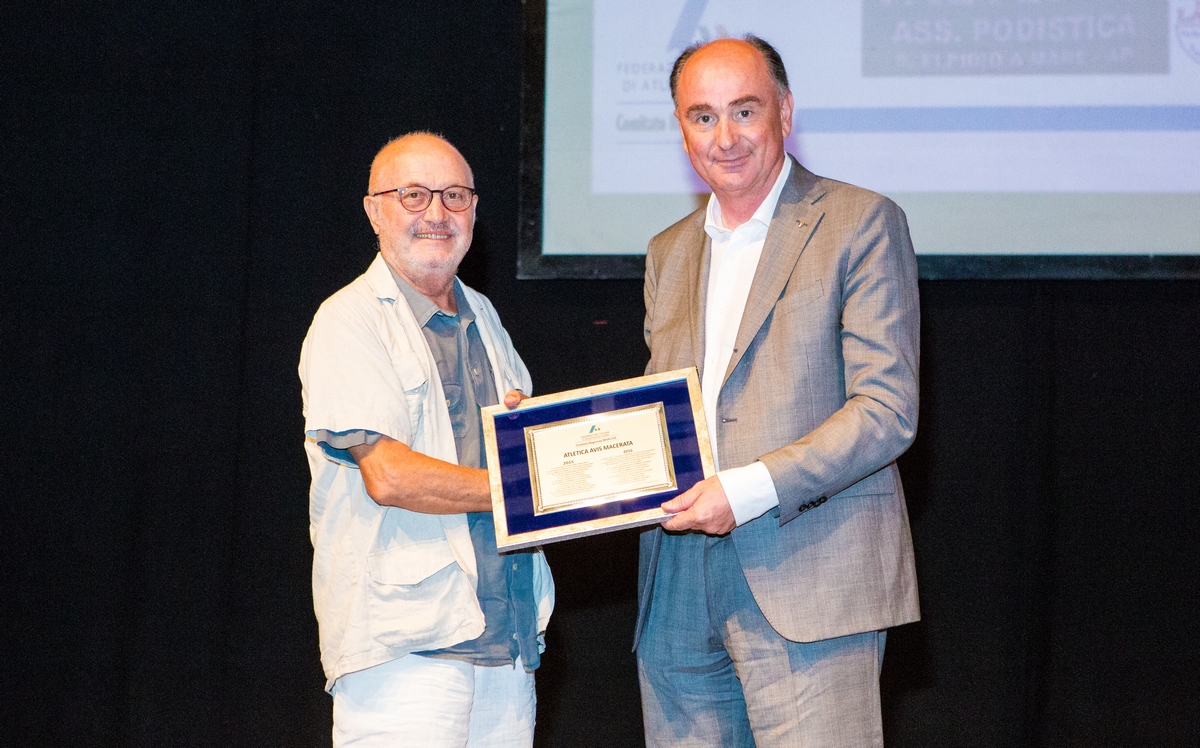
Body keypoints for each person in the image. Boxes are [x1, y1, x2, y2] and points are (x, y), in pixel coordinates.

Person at [636, 36, 920, 747]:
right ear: (681, 130)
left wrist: (747, 490)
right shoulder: (668, 251)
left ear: (785, 113)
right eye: (703, 117)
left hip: (809, 571)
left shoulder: (860, 222)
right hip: (676, 589)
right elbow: (658, 415)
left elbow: (887, 409)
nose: (724, 138)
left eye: (745, 111)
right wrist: (551, 445)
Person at [299, 132, 553, 747]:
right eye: (413, 195)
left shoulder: (485, 318)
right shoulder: (349, 319)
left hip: (508, 643)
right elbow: (388, 475)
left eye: (454, 195)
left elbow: (527, 451)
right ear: (374, 211)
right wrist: (531, 487)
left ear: (474, 210)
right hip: (406, 652)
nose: (437, 213)